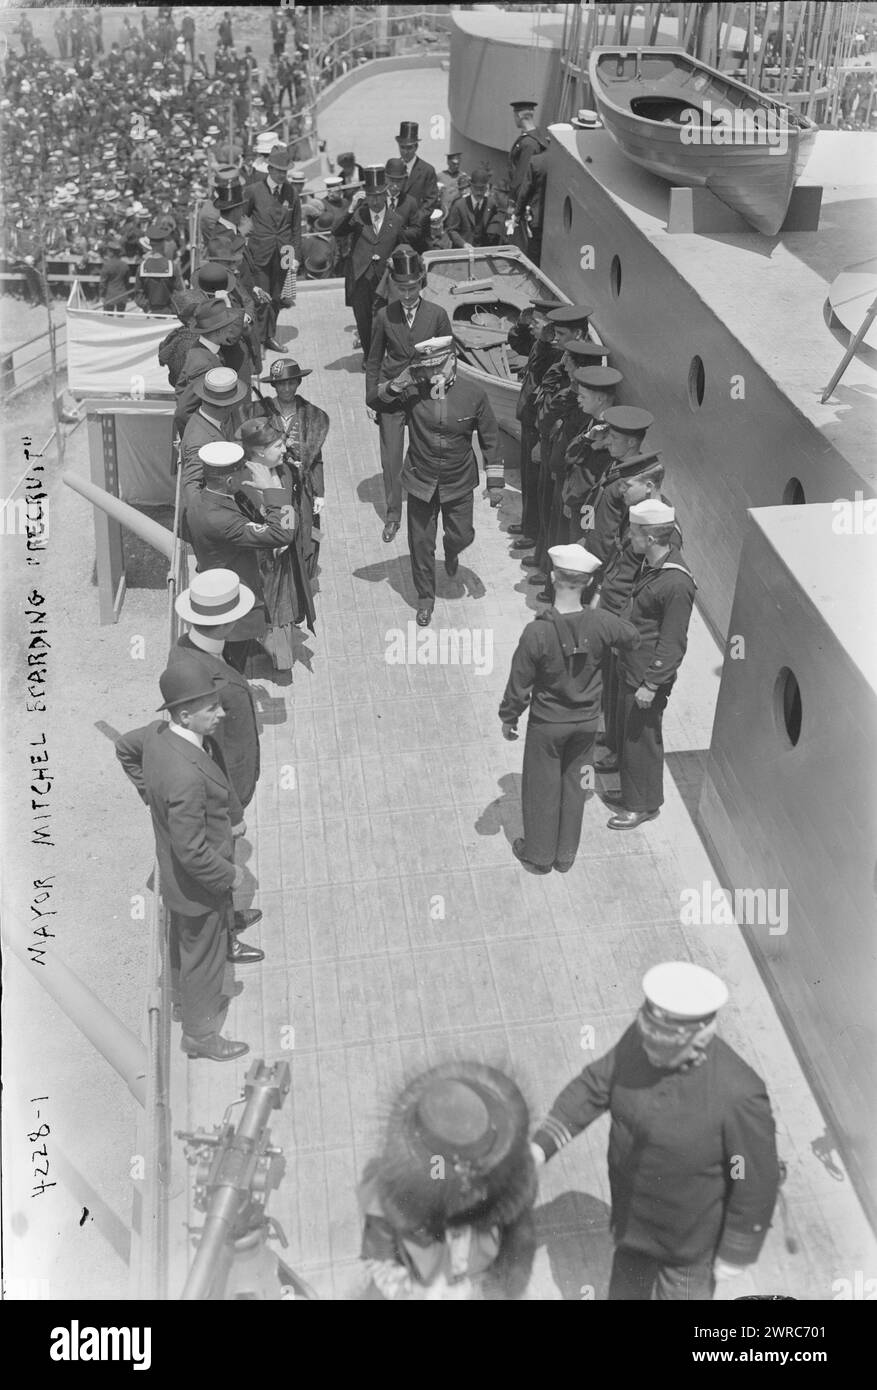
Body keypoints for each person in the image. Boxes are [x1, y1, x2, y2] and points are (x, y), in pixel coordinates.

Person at [531, 961, 781, 1300]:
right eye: (647, 1035)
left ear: (699, 1039)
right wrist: (539, 1148)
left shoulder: (739, 1093)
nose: (648, 1048)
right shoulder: (641, 1041)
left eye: (661, 1044)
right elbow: (594, 1087)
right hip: (632, 1227)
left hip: (689, 1247)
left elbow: (754, 1178)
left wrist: (736, 1250)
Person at [115, 659, 264, 1063]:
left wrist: (152, 796)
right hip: (199, 885)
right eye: (211, 709)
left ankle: (182, 1001)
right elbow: (192, 851)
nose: (220, 714)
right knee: (205, 958)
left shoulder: (157, 735)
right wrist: (230, 876)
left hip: (180, 878)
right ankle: (199, 1036)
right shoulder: (184, 776)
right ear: (185, 714)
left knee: (188, 947)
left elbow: (124, 748)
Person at [499, 544, 640, 873]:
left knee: (541, 789)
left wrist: (509, 718)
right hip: (587, 725)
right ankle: (565, 856)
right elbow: (632, 637)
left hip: (547, 726)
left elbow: (518, 685)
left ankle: (539, 854)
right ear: (589, 584)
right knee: (578, 785)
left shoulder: (537, 631)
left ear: (552, 577)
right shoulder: (602, 623)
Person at [358, 1061, 537, 1300]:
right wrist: (411, 1294)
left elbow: (517, 1255)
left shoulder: (505, 1192)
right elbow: (379, 1258)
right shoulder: (386, 1200)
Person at [603, 498, 696, 829]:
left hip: (647, 674)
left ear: (652, 538)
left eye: (636, 533)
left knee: (642, 740)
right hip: (633, 662)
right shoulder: (652, 566)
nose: (631, 538)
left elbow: (673, 642)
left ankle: (642, 804)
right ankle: (632, 791)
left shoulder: (675, 582)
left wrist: (652, 683)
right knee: (630, 734)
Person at [398, 336, 504, 626]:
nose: (434, 374)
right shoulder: (413, 392)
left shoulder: (474, 394)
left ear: (453, 360)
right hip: (421, 481)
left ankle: (453, 549)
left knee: (463, 534)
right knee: (421, 544)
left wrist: (495, 484)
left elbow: (491, 439)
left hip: (458, 481)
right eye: (428, 367)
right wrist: (400, 381)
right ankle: (425, 599)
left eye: (439, 366)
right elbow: (376, 402)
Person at [185, 440, 300, 672]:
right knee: (233, 660)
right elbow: (284, 533)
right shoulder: (222, 520)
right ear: (229, 481)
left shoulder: (199, 499)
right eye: (241, 472)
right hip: (232, 601)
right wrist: (275, 493)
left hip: (215, 580)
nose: (246, 474)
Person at [366, 246, 452, 543]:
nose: (406, 294)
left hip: (425, 396)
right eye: (400, 288)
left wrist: (442, 395)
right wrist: (372, 397)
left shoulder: (438, 315)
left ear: (422, 283)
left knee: (426, 453)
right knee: (391, 460)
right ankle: (392, 516)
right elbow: (374, 360)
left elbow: (447, 360)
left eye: (412, 287)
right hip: (392, 394)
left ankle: (425, 507)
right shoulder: (383, 316)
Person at [170, 570, 263, 816]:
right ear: (227, 624)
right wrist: (232, 814)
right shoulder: (222, 688)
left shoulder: (181, 648)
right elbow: (206, 753)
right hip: (228, 790)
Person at [237, 417, 316, 668]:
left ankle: (281, 656)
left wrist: (305, 536)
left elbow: (293, 511)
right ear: (260, 451)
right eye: (278, 446)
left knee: (287, 606)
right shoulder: (243, 485)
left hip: (286, 555)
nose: (284, 450)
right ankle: (275, 657)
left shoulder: (285, 471)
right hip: (262, 566)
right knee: (270, 611)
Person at [248, 357, 328, 584]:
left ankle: (302, 574)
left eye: (291, 382)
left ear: (298, 383)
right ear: (274, 386)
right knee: (279, 532)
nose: (286, 388)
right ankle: (280, 581)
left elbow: (317, 457)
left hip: (302, 487)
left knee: (307, 531)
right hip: (273, 486)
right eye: (281, 384)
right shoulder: (262, 412)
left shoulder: (310, 415)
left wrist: (320, 492)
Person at [333, 165, 406, 360]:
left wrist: (395, 256)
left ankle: (383, 355)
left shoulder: (396, 220)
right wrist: (350, 209)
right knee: (363, 320)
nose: (374, 200)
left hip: (384, 279)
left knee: (382, 319)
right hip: (360, 279)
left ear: (385, 194)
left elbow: (404, 246)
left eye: (378, 195)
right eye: (370, 196)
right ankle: (369, 355)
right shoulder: (358, 215)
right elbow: (337, 231)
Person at [242, 145, 302, 315]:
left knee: (277, 298)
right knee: (261, 298)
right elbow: (242, 220)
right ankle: (260, 338)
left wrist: (296, 257)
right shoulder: (253, 191)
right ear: (269, 169)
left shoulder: (292, 193)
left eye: (285, 171)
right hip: (260, 253)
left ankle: (269, 336)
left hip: (284, 253)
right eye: (278, 171)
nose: (282, 175)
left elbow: (296, 228)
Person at [174, 299, 245, 431]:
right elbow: (182, 412)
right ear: (217, 331)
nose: (231, 329)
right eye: (227, 325)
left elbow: (180, 389)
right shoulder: (204, 365)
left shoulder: (203, 348)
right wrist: (206, 436)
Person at [180, 367, 251, 493]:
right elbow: (192, 487)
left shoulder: (217, 420)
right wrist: (212, 512)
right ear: (227, 405)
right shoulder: (198, 440)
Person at [506, 100, 548, 255]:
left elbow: (522, 179)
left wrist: (513, 205)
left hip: (525, 207)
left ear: (519, 116)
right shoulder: (534, 138)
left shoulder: (529, 143)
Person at [394, 120, 440, 235]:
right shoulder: (392, 168)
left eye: (409, 148)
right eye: (402, 147)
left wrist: (415, 220)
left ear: (416, 147)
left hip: (418, 231)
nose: (405, 151)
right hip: (394, 228)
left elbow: (431, 200)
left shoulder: (427, 170)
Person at [446, 168, 506, 248]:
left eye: (482, 189)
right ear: (470, 187)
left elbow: (497, 221)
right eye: (476, 188)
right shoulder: (459, 205)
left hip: (483, 251)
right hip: (463, 252)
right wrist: (463, 244)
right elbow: (451, 230)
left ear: (486, 187)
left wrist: (491, 232)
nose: (479, 192)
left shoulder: (491, 204)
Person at [134, 222, 185, 313]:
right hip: (169, 313)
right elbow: (180, 293)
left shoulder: (142, 267)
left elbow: (138, 294)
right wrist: (172, 309)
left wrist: (147, 308)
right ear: (163, 243)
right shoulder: (172, 266)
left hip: (149, 312)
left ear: (150, 244)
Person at [98, 239, 130, 314]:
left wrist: (101, 295)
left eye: (108, 251)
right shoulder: (125, 265)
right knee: (120, 319)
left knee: (108, 319)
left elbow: (103, 283)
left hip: (109, 295)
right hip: (122, 294)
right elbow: (127, 282)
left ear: (111, 252)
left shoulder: (107, 265)